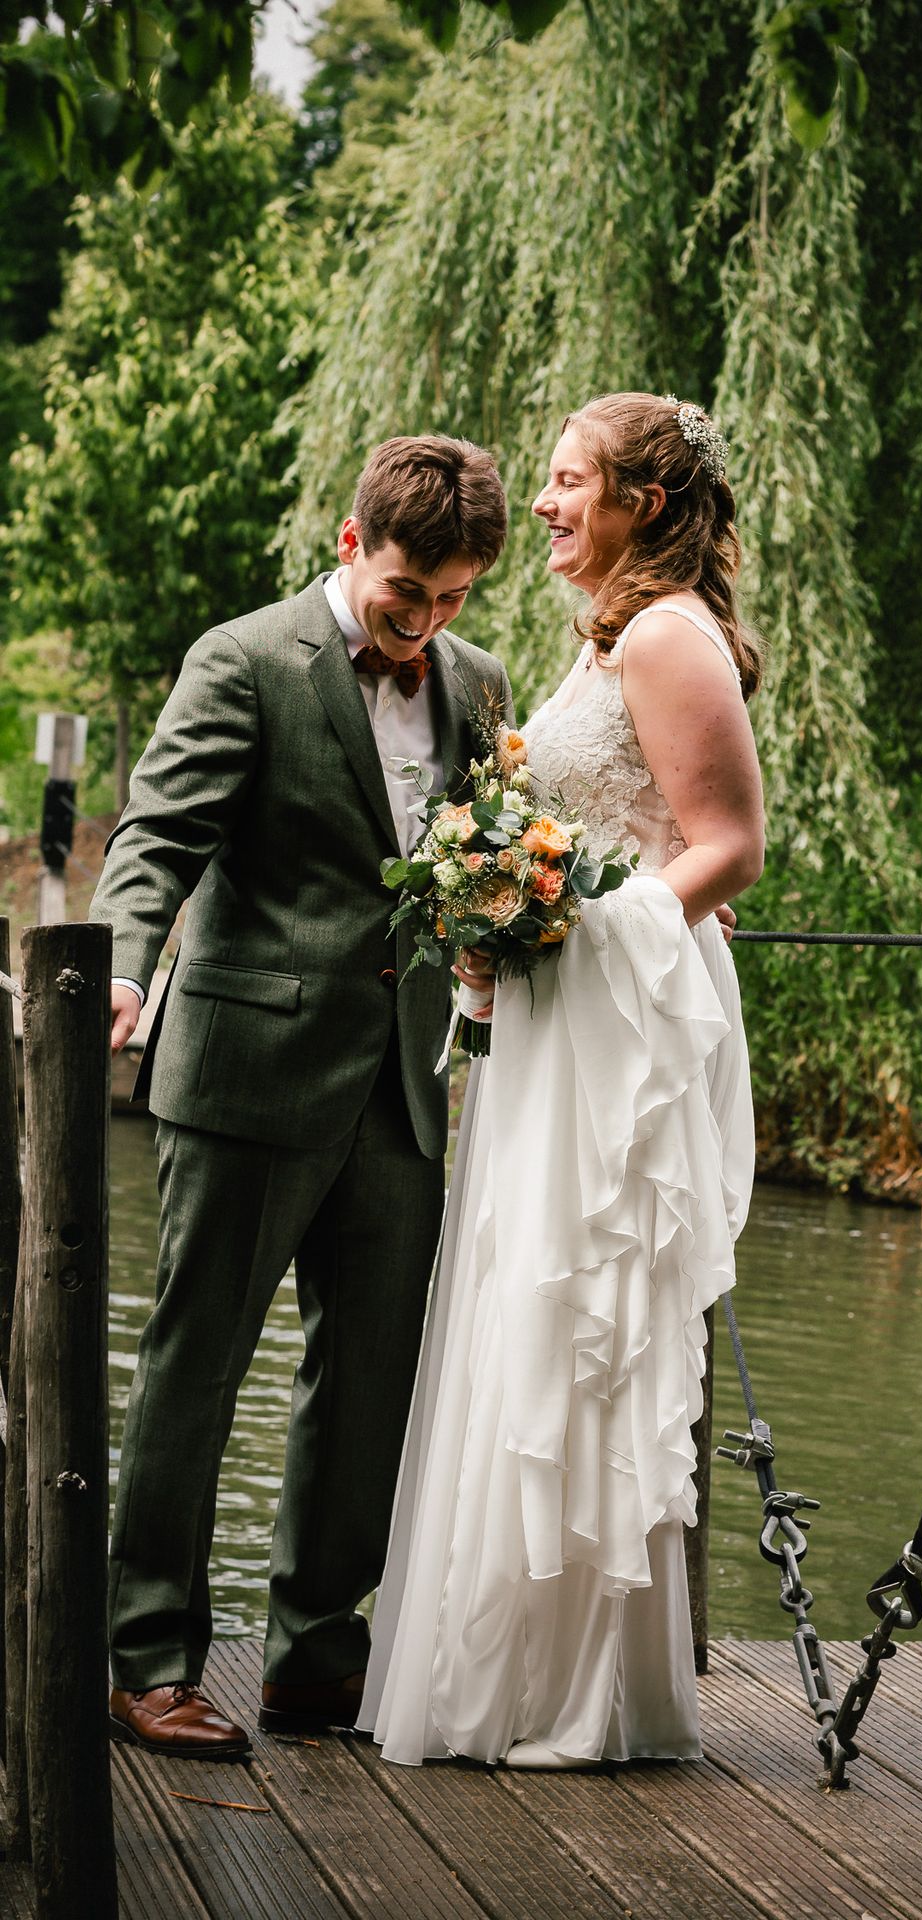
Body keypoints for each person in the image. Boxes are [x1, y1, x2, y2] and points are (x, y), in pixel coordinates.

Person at [359, 391, 766, 1769]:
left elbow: (726, 847)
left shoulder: (665, 634)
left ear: (641, 503)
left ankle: (585, 1693)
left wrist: (565, 925)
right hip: (556, 1018)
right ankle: (513, 1674)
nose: (541, 502)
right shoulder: (611, 635)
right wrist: (497, 921)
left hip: (618, 1023)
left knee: (585, 1319)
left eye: (565, 478)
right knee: (530, 1317)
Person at [91, 435, 512, 1757]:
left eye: (452, 601)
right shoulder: (244, 658)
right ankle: (148, 1655)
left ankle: (317, 1659)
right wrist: (111, 966)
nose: (427, 623)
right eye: (408, 596)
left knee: (369, 1381)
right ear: (351, 544)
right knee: (194, 1372)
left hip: (402, 1085)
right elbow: (160, 832)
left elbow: (495, 861)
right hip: (246, 1074)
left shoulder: (479, 683)